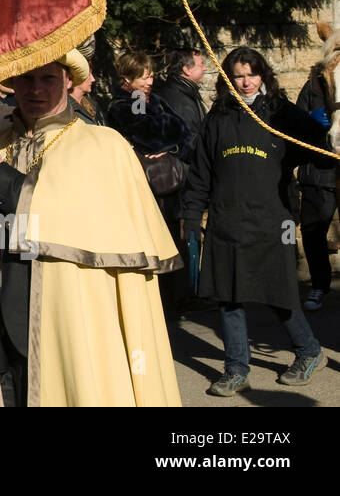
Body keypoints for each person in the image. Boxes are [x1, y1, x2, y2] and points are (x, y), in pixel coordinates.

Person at [0, 50, 181, 406]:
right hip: (3, 325)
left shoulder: (103, 145)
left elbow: (81, 227)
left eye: (47, 78)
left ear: (69, 80)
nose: (35, 89)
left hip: (74, 324)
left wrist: (0, 178)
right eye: (26, 78)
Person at [181, 47, 333, 395]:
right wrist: (192, 216)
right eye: (239, 75)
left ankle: (309, 351)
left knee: (277, 291)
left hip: (273, 220)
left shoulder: (280, 113)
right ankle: (236, 368)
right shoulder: (217, 118)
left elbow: (319, 150)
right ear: (229, 79)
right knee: (229, 296)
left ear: (263, 75)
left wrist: (333, 138)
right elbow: (201, 173)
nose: (246, 82)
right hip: (227, 220)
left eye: (252, 74)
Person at [106, 50, 190, 317]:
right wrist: (169, 134)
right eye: (144, 77)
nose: (150, 82)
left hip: (166, 186)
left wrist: (171, 140)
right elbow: (150, 132)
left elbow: (181, 130)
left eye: (151, 75)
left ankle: (177, 298)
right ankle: (166, 302)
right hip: (149, 186)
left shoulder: (152, 99)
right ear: (127, 79)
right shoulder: (132, 101)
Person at [295, 35, 338, 312]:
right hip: (319, 169)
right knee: (314, 230)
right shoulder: (312, 85)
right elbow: (295, 122)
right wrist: (309, 122)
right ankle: (319, 285)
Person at [154, 47, 208, 143]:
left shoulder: (186, 91)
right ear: (187, 70)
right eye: (201, 65)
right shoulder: (181, 101)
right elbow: (188, 141)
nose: (205, 68)